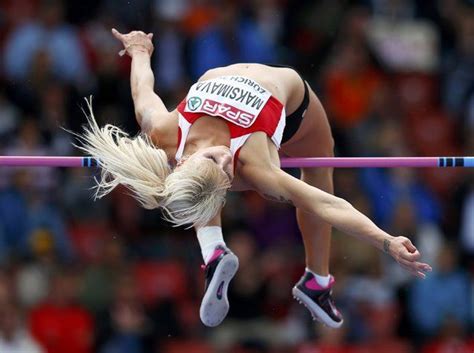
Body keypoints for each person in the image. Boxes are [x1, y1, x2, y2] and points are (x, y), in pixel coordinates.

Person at [77, 29, 432, 328]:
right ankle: (259, 264)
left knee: (317, 170)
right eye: (226, 174)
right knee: (216, 189)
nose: (228, 164)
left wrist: (140, 50)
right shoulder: (243, 164)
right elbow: (324, 203)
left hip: (290, 104)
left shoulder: (169, 134)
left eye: (219, 163)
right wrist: (386, 242)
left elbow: (143, 92)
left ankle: (302, 276)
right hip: (257, 104)